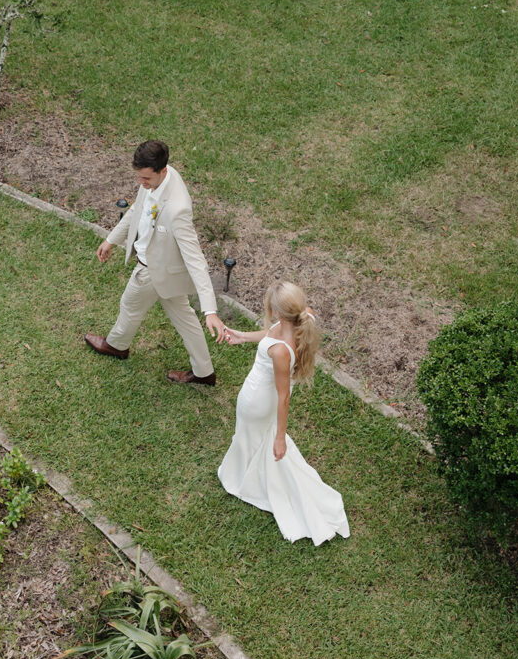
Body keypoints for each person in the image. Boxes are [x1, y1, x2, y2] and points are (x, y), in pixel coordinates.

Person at [218, 282, 350, 545]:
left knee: (251, 438)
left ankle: (246, 480)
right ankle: (248, 472)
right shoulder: (302, 316)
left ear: (279, 312)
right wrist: (242, 336)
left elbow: (283, 397)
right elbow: (270, 333)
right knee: (253, 439)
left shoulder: (280, 351)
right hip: (258, 396)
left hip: (258, 401)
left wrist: (280, 437)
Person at [85, 140, 226, 384]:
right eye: (139, 177)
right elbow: (136, 210)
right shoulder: (154, 180)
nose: (142, 184)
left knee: (130, 304)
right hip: (167, 271)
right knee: (184, 318)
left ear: (163, 170)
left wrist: (211, 310)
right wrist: (111, 240)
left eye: (146, 179)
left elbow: (196, 260)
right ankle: (205, 372)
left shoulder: (178, 210)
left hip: (152, 271)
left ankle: (117, 345)